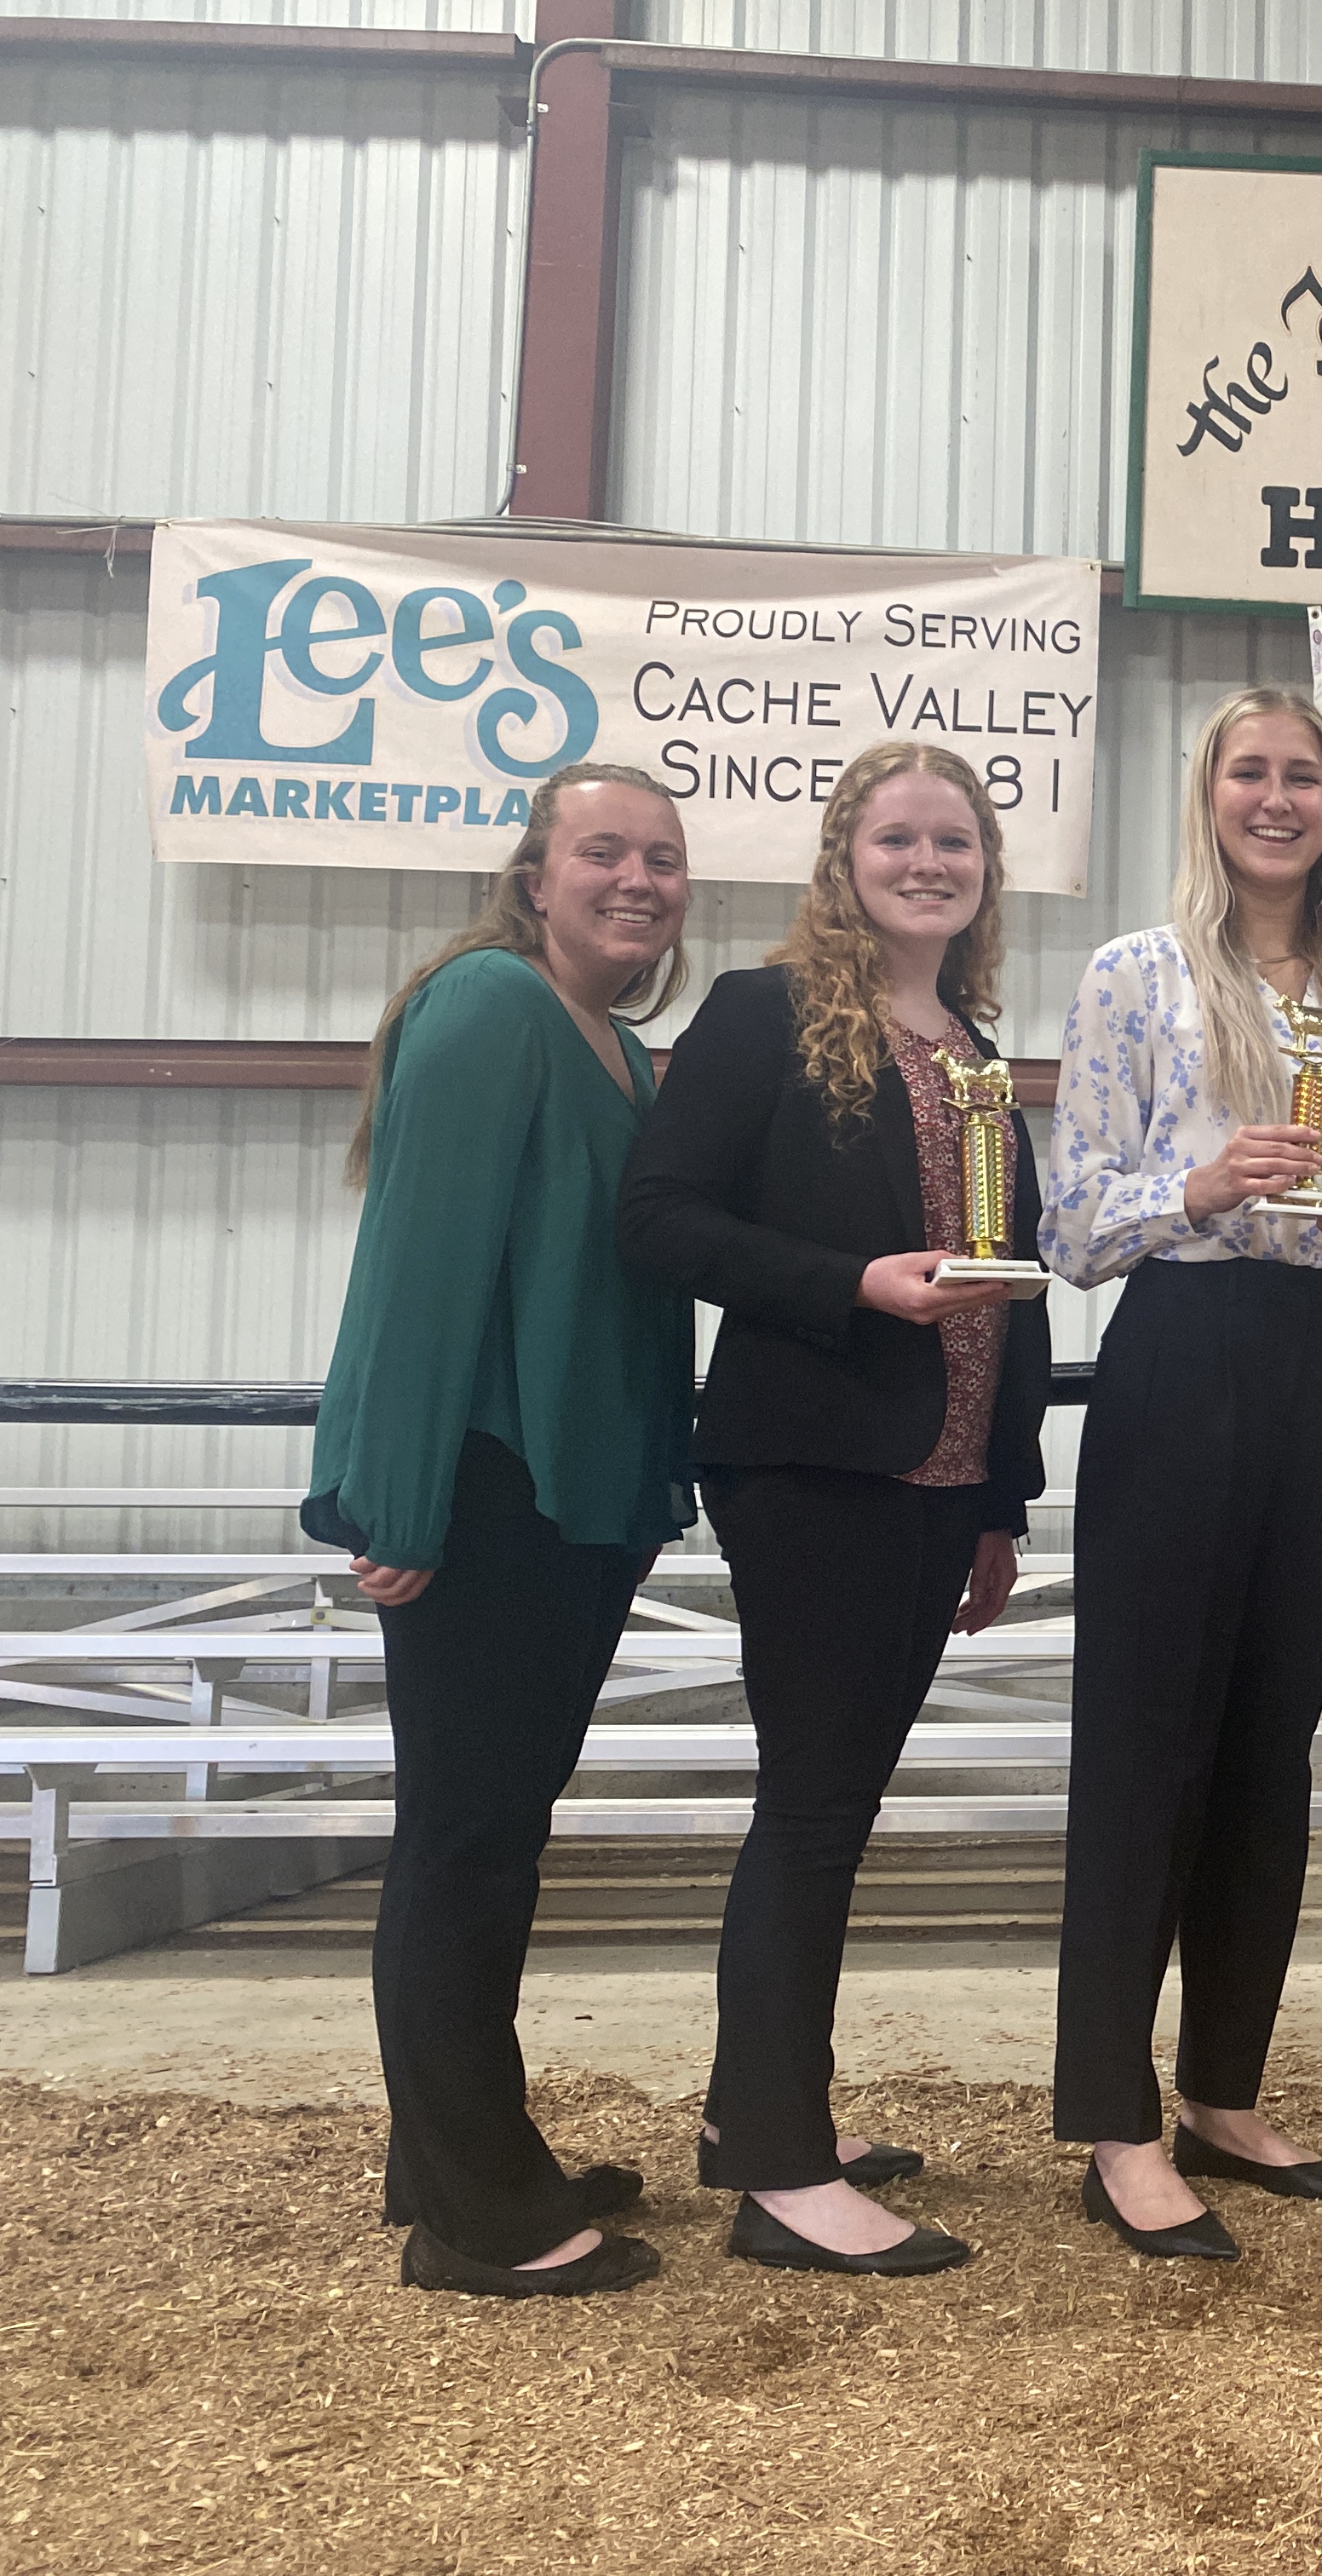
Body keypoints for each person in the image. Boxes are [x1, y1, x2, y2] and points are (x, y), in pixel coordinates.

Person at [619, 739, 1049, 2279]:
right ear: (843, 860)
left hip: (940, 1479)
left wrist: (1002, 1497)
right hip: (812, 1467)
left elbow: (1014, 1296)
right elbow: (660, 1219)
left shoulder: (976, 1044)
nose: (929, 862)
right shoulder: (763, 1017)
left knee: (835, 1809)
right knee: (810, 1812)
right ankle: (784, 2179)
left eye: (956, 841)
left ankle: (757, 2113)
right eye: (898, 839)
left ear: (984, 872)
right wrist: (851, 1287)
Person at [1039, 687, 1322, 2262]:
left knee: (1272, 1737)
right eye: (1249, 773)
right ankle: (1112, 2122)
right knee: (1149, 1741)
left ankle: (1221, 2088)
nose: (1278, 799)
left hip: (1311, 1358)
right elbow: (1069, 1226)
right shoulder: (1137, 975)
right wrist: (1199, 1185)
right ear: (1206, 796)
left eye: (1304, 775)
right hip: (1176, 1348)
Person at [305, 762, 697, 2299]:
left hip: (570, 1497)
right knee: (465, 1841)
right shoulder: (485, 1009)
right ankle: (474, 2211)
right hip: (481, 1490)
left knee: (497, 1838)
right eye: (604, 851)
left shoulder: (625, 1051)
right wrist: (392, 1503)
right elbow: (417, 1270)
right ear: (536, 873)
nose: (638, 879)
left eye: (662, 858)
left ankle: (460, 2141)